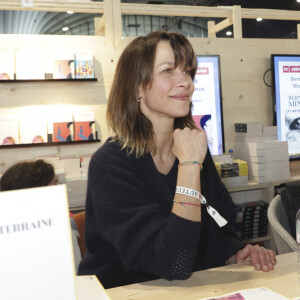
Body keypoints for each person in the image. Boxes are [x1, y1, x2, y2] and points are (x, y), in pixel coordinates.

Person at [78, 31, 276, 289]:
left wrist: (234, 253)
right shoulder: (111, 164)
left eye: (188, 71)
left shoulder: (191, 148)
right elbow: (175, 262)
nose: (185, 82)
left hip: (191, 290)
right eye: (168, 70)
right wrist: (190, 166)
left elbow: (219, 225)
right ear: (137, 86)